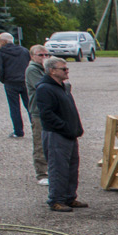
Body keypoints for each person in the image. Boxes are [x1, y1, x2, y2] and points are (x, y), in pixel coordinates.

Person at [32, 57, 87, 212]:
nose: (67, 71)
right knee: (58, 168)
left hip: (69, 133)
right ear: (52, 71)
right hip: (56, 134)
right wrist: (65, 127)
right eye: (63, 69)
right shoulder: (45, 88)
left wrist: (76, 128)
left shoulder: (62, 87)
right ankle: (56, 200)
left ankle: (69, 197)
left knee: (72, 168)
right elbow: (47, 114)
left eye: (66, 68)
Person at [0, 33, 29, 138]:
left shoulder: (1, 53)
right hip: (25, 81)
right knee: (30, 106)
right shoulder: (24, 51)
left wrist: (3, 80)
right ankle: (37, 129)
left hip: (11, 82)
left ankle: (18, 131)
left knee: (14, 107)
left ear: (3, 41)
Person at [24, 44, 48, 183]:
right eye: (41, 55)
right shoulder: (32, 70)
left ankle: (52, 169)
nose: (44, 57)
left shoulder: (46, 69)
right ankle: (42, 173)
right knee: (40, 142)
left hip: (49, 111)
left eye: (46, 55)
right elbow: (43, 87)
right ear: (32, 56)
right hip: (38, 112)